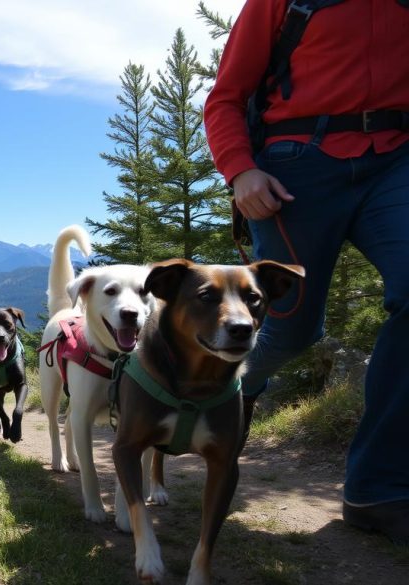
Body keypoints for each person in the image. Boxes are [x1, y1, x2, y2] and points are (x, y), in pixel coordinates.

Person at [204, 0, 409, 544]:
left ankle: (378, 488)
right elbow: (226, 96)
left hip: (397, 162)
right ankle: (237, 385)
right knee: (293, 329)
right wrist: (240, 169)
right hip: (295, 168)